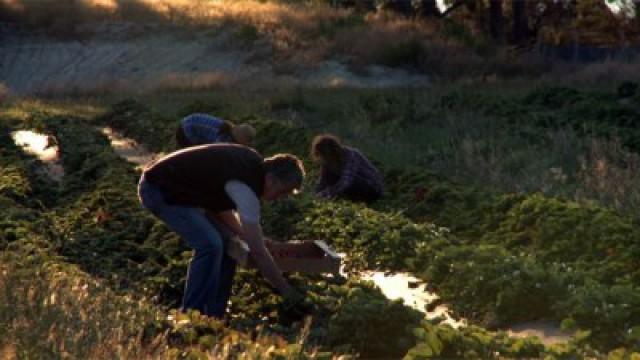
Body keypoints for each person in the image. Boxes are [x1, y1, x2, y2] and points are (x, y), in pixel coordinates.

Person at [138, 143, 308, 318]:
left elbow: (219, 206)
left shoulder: (250, 166)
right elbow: (258, 253)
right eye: (283, 192)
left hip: (178, 190)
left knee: (229, 242)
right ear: (272, 180)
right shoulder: (246, 189)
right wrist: (286, 290)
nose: (281, 198)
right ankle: (192, 313)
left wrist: (247, 235)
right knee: (210, 244)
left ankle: (214, 314)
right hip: (159, 189)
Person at [311, 134, 383, 204]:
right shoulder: (328, 162)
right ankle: (347, 198)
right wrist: (315, 194)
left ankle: (357, 199)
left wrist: (326, 193)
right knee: (329, 176)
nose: (321, 159)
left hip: (372, 188)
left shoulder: (350, 155)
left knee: (347, 183)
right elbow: (322, 181)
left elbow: (346, 181)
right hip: (353, 186)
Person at [176, 113, 256, 149]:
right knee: (195, 155)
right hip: (186, 130)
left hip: (190, 121)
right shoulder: (223, 137)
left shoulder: (227, 128)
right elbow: (215, 151)